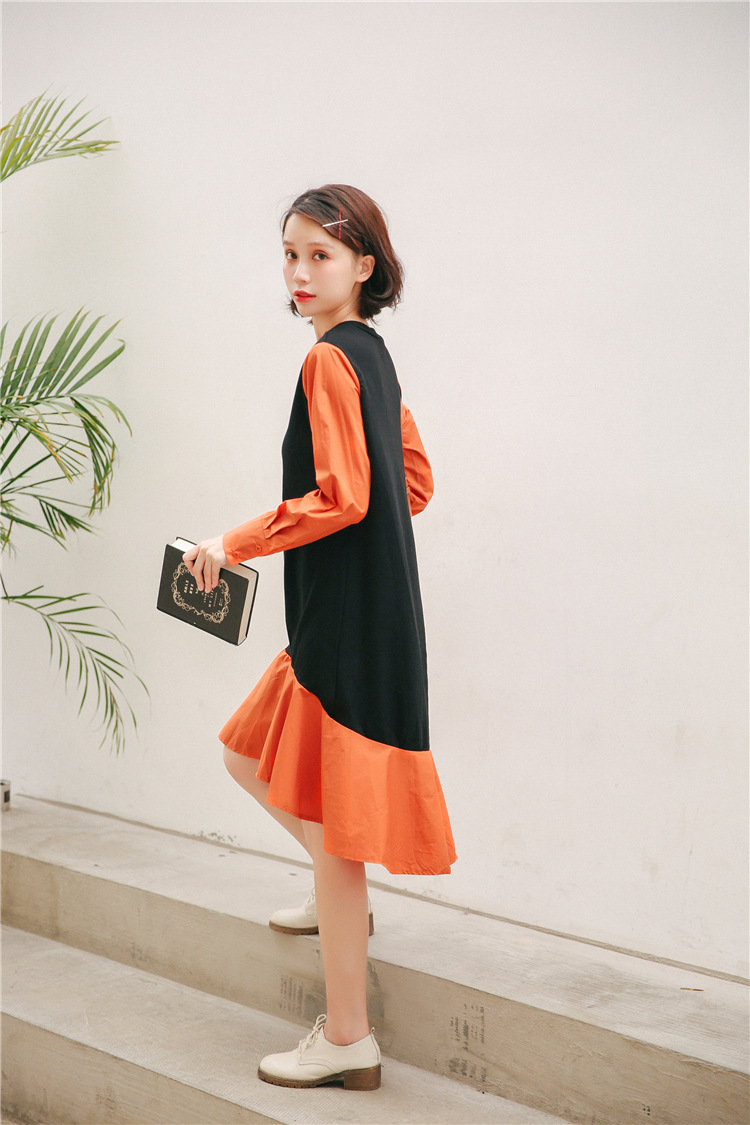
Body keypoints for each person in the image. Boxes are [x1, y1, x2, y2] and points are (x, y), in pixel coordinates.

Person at [184, 184, 456, 1091]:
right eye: (291, 255)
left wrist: (234, 542)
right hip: (366, 607)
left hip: (343, 615)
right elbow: (412, 483)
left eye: (320, 256)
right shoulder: (372, 354)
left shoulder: (328, 362)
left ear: (364, 265)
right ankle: (335, 894)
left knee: (335, 832)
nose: (300, 274)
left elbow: (346, 496)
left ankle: (347, 1036)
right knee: (248, 754)